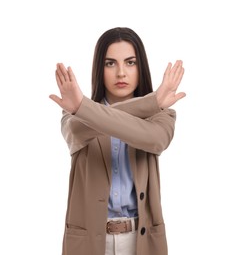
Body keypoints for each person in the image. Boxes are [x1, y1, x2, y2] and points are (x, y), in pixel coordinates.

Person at [49, 27, 185, 255]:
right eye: (110, 63)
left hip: (140, 240)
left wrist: (84, 106)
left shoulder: (160, 114)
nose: (121, 73)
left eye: (130, 62)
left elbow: (154, 139)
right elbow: (77, 129)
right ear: (99, 69)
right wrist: (151, 100)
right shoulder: (75, 116)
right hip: (91, 241)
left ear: (141, 67)